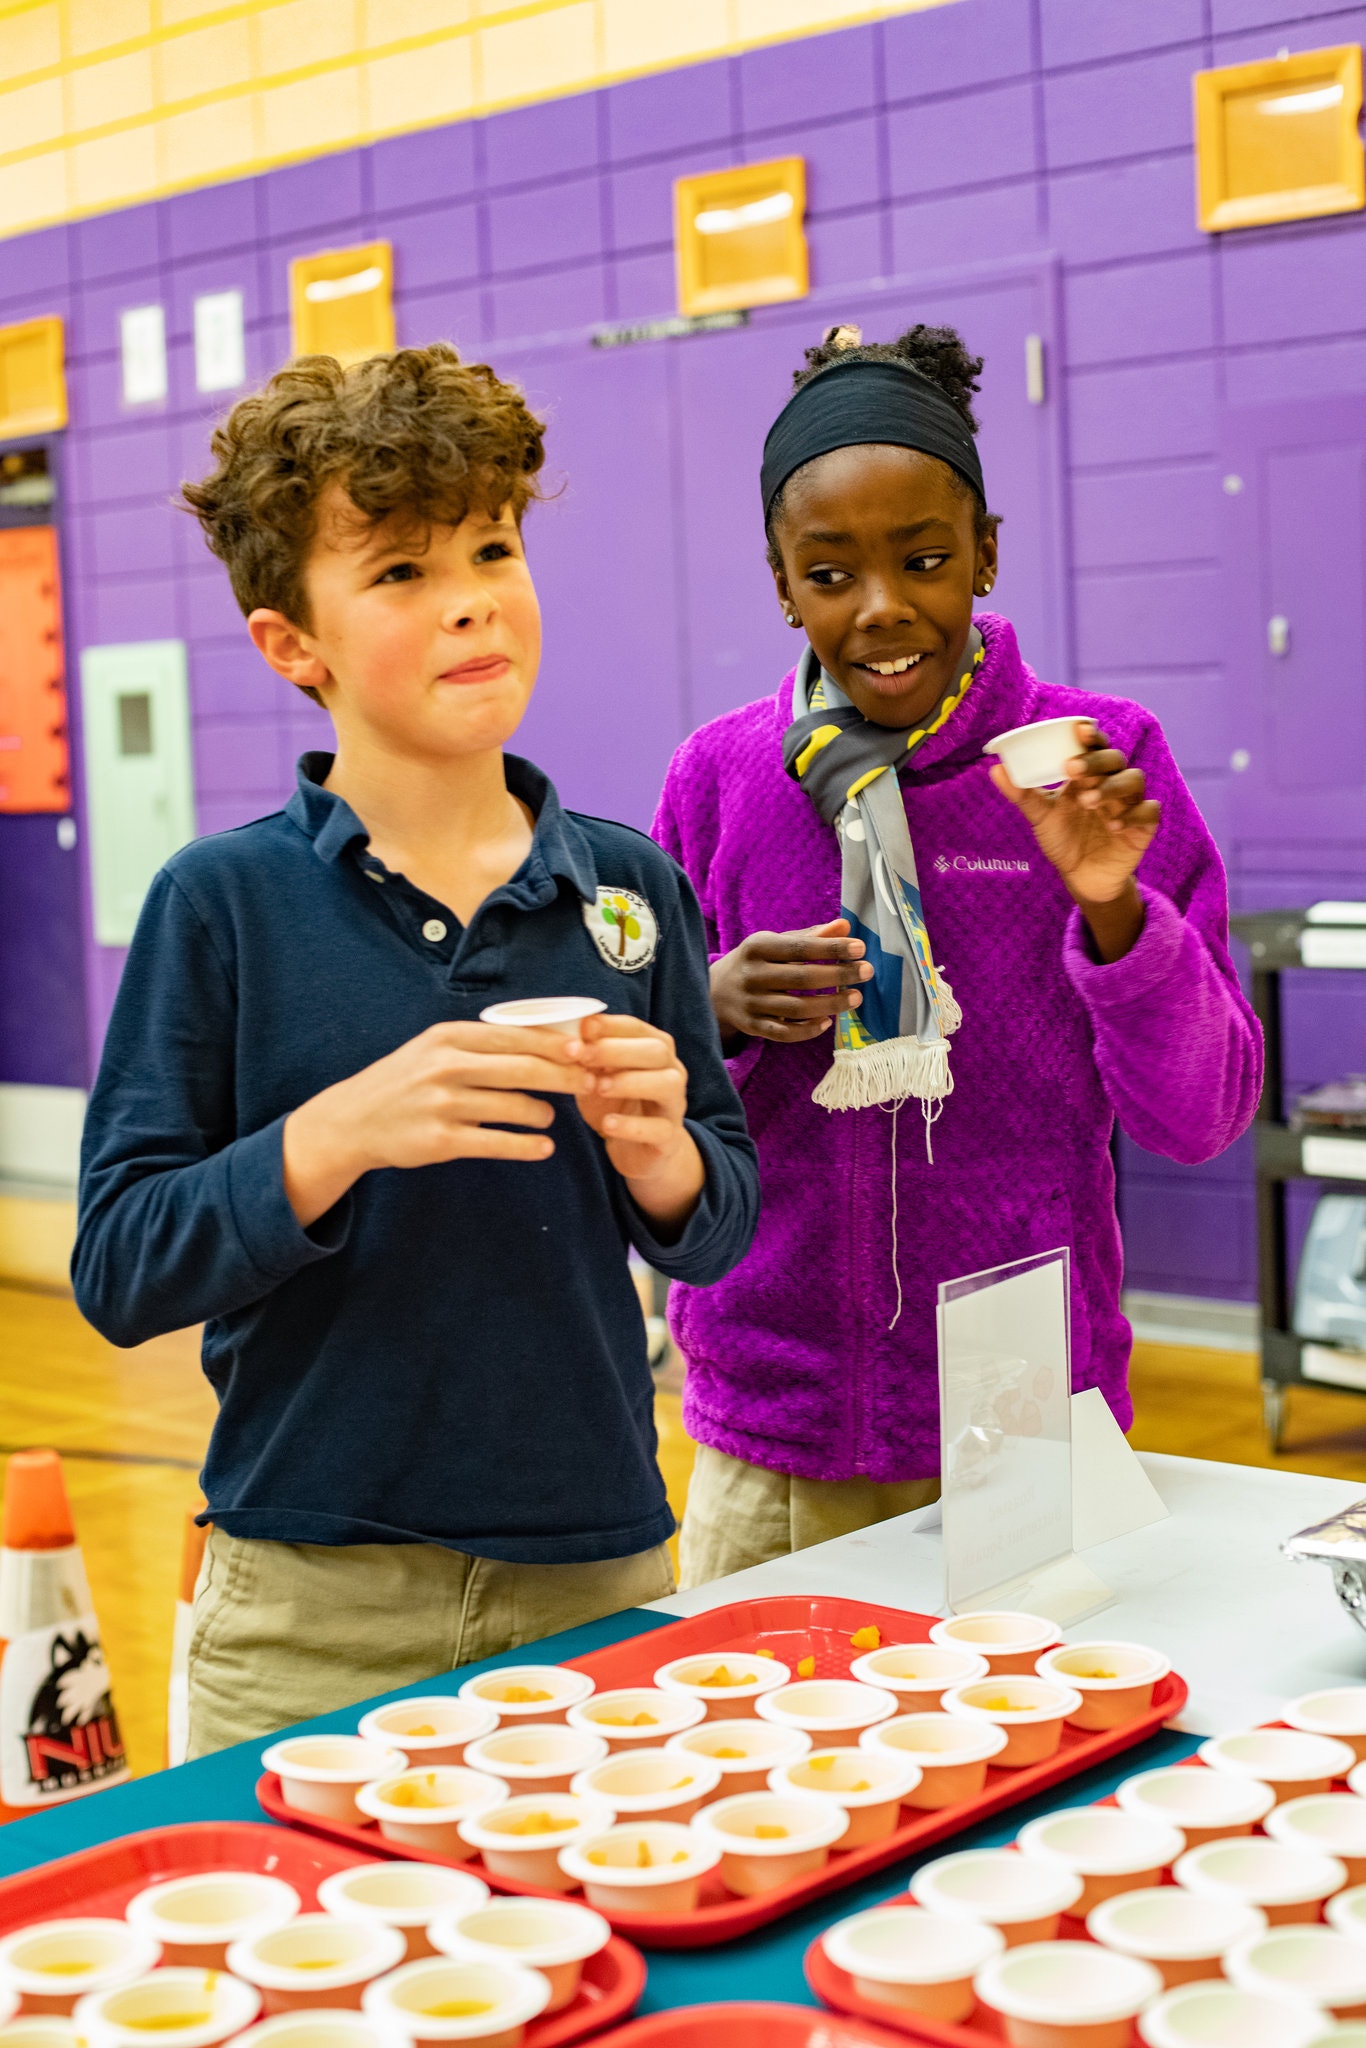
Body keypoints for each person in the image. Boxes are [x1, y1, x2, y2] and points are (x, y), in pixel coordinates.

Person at [72, 344, 759, 1752]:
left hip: (601, 1580)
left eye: (492, 548)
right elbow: (122, 1266)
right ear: (292, 644)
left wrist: (666, 1158)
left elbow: (722, 1225)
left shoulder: (629, 893)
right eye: (397, 573)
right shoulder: (222, 904)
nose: (468, 601)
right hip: (307, 1604)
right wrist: (335, 1136)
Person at [653, 322, 1261, 1588]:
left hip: (1025, 1399)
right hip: (775, 1424)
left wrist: (1115, 914)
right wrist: (705, 1007)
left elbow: (1200, 1114)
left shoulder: (1094, 760)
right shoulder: (719, 780)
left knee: (1035, 1753)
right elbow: (644, 1091)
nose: (883, 610)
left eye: (925, 560)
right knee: (769, 1771)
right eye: (830, 575)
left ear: (985, 549)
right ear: (780, 581)